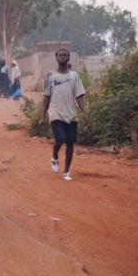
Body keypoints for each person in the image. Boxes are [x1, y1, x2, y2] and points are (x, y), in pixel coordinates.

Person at [39, 49, 87, 181]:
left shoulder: (74, 76)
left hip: (71, 113)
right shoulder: (50, 75)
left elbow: (79, 95)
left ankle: (66, 171)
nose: (62, 57)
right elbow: (46, 96)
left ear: (68, 58)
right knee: (60, 138)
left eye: (65, 55)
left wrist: (84, 112)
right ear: (56, 57)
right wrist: (43, 116)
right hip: (55, 112)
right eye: (60, 55)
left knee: (70, 142)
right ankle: (55, 156)